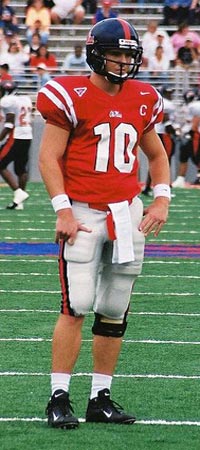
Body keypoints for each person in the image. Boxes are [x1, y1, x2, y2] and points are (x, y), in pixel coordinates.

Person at [37, 17, 170, 429]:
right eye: (114, 53)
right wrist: (62, 208)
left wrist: (161, 200)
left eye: (127, 55)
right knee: (75, 305)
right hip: (82, 210)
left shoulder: (144, 97)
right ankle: (59, 396)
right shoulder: (69, 94)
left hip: (126, 210)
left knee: (114, 309)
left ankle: (101, 397)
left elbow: (158, 156)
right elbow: (48, 157)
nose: (121, 62)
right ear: (96, 53)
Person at [0, 80, 33, 209]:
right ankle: (19, 203)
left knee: (1, 163)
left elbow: (9, 124)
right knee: (21, 169)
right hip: (27, 135)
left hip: (17, 135)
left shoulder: (8, 100)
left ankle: (19, 193)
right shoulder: (25, 99)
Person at [142, 86, 179, 195]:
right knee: (163, 160)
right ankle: (162, 187)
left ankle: (148, 187)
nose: (170, 94)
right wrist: (173, 130)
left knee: (157, 160)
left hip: (158, 132)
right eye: (168, 92)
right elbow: (165, 119)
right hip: (163, 133)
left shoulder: (163, 101)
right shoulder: (167, 104)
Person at [172, 89, 200, 187]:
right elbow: (181, 121)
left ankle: (197, 177)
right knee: (184, 156)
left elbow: (196, 119)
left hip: (194, 134)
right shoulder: (186, 107)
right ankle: (181, 178)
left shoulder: (195, 106)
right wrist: (179, 130)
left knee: (196, 156)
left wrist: (192, 132)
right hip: (188, 133)